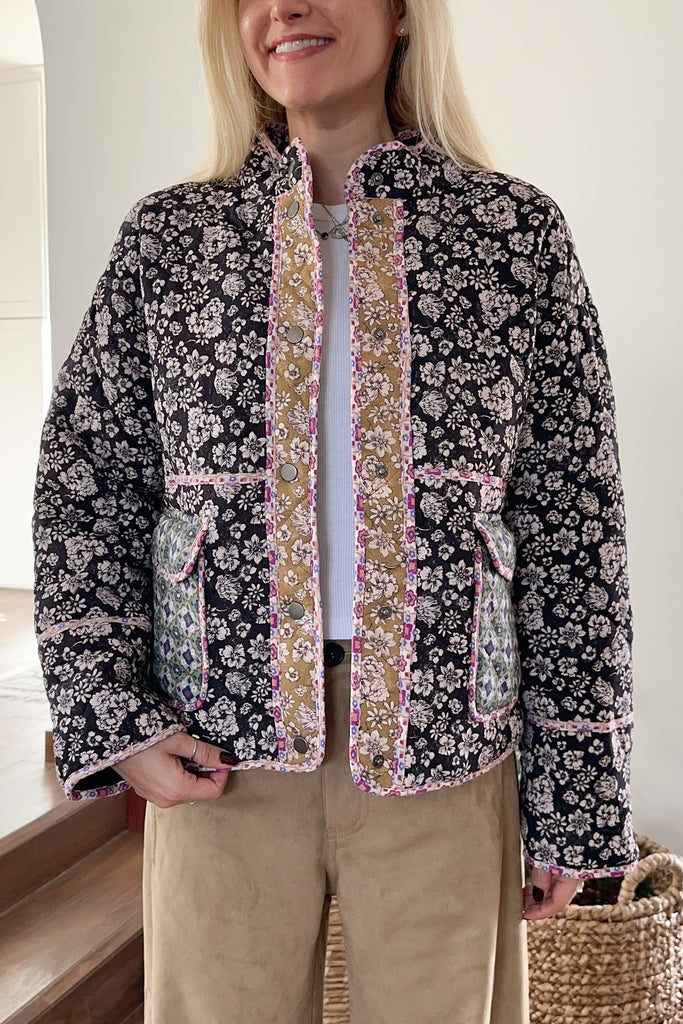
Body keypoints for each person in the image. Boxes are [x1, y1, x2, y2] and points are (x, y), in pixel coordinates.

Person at [33, 1, 639, 1021]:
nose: (284, 9)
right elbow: (86, 483)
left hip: (445, 746)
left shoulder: (510, 236)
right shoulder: (169, 241)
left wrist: (574, 797)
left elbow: (574, 524)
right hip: (217, 749)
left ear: (401, 13)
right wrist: (116, 717)